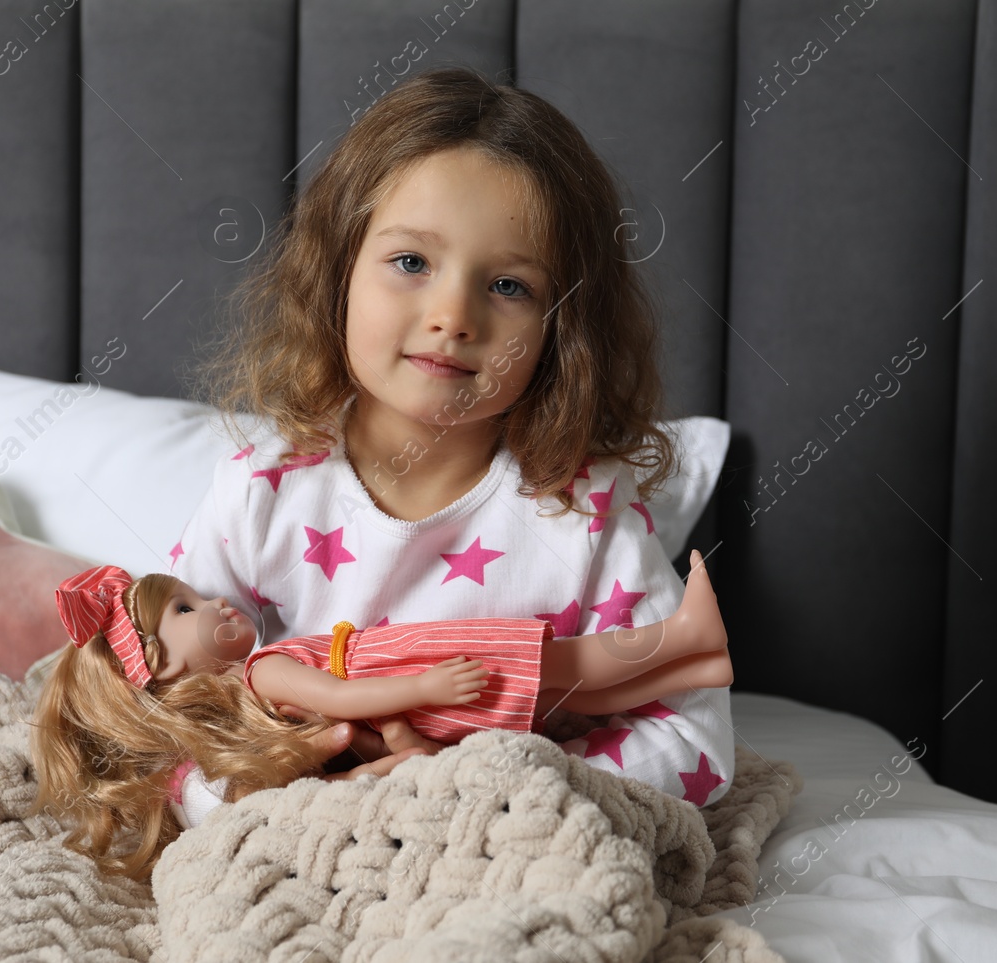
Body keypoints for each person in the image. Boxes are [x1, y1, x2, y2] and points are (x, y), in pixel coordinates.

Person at [170, 64, 736, 831]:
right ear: (336, 272)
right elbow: (167, 713)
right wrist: (280, 793)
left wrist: (479, 790)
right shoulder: (260, 490)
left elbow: (696, 742)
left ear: (560, 330)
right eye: (411, 263)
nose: (452, 315)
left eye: (509, 286)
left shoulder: (585, 510)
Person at [29, 554, 730, 880]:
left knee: (567, 685)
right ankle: (685, 638)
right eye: (185, 608)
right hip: (415, 675)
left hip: (415, 687)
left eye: (194, 592)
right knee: (568, 670)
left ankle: (698, 664)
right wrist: (424, 681)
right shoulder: (259, 670)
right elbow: (343, 702)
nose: (211, 601)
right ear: (164, 666)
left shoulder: (255, 692)